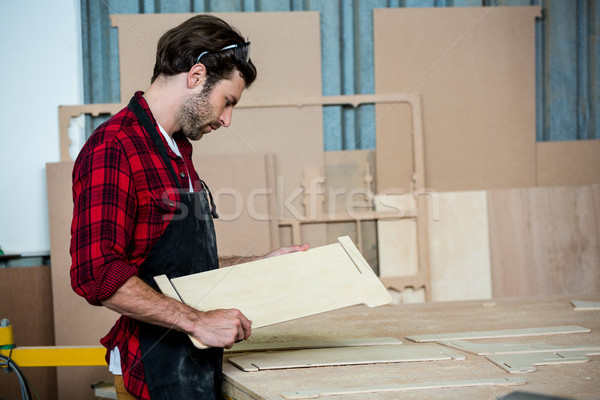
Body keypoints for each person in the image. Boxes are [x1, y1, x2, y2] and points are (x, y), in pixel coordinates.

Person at [70, 15, 308, 400]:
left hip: (192, 364)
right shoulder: (115, 147)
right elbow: (96, 274)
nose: (227, 119)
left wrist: (264, 263)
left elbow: (182, 269)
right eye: (227, 102)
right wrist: (198, 321)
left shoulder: (175, 151)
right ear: (197, 76)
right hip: (151, 371)